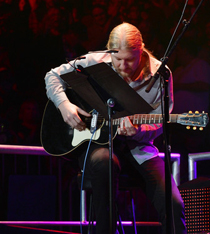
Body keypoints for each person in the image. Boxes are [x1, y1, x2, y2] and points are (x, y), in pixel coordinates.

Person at [44, 22, 186, 234]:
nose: (122, 66)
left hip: (139, 150)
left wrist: (139, 131)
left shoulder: (160, 75)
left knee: (173, 203)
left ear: (141, 50)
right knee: (104, 162)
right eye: (117, 59)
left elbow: (159, 124)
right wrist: (64, 105)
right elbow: (52, 76)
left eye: (129, 60)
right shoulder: (95, 61)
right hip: (100, 145)